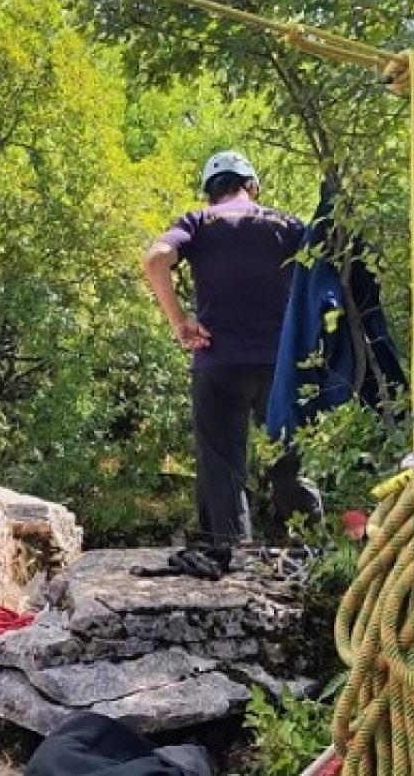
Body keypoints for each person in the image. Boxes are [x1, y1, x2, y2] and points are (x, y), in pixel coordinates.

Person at [142, 150, 321, 546]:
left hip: (217, 361)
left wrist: (180, 322)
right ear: (252, 186)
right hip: (280, 365)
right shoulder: (288, 225)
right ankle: (311, 550)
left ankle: (230, 555)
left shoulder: (198, 222)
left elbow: (155, 260)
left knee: (220, 467)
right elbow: (325, 271)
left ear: (210, 191)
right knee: (292, 462)